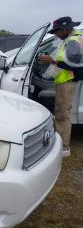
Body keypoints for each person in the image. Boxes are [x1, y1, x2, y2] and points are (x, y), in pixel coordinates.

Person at [40, 16, 83, 157]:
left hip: (67, 82)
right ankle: (62, 145)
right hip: (65, 82)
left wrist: (52, 61)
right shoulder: (71, 40)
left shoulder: (72, 41)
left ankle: (63, 148)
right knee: (62, 114)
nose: (56, 35)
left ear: (65, 29)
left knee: (62, 115)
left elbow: (76, 66)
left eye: (57, 31)